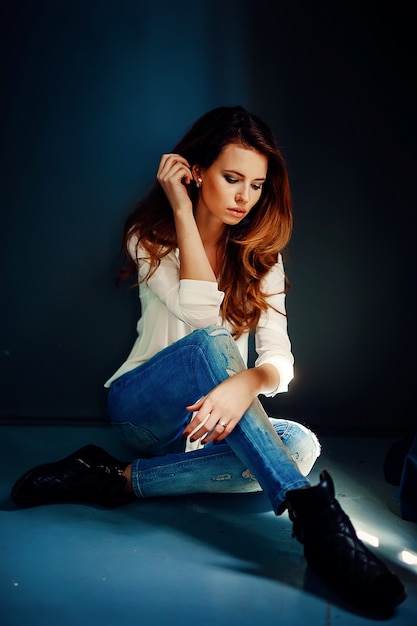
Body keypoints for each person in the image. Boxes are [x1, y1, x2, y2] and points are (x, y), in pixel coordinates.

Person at [11, 106, 405, 612]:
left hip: (213, 422)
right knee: (211, 345)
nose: (245, 197)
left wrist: (247, 384)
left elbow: (280, 359)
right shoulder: (150, 238)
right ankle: (318, 524)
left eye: (258, 185)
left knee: (301, 444)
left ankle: (119, 478)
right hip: (144, 409)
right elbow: (204, 325)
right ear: (197, 173)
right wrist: (180, 208)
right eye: (232, 178)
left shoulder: (263, 259)